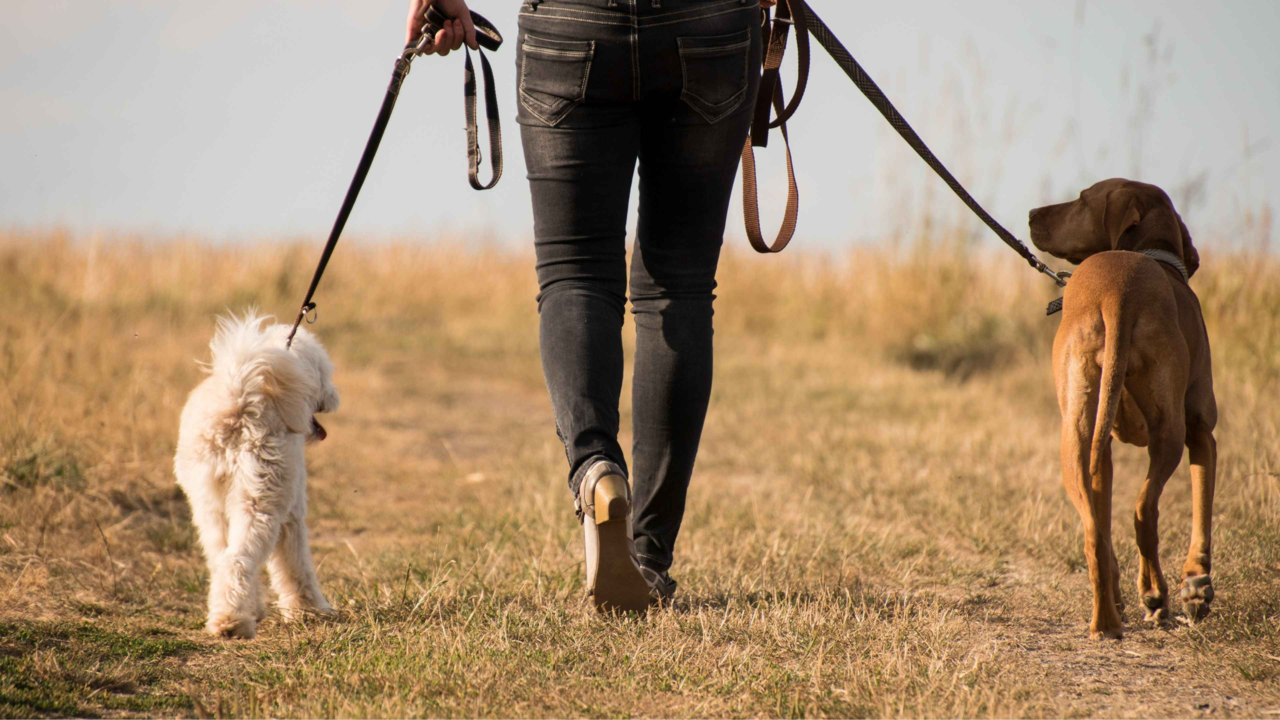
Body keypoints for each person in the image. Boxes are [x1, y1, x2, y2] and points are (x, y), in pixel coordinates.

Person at [407, 0, 775, 613]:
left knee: (574, 271)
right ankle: (647, 557)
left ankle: (597, 468)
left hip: (569, 26)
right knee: (678, 286)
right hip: (708, 27)